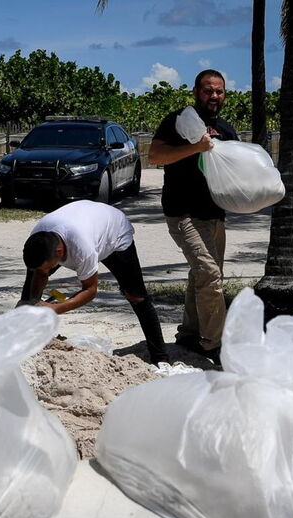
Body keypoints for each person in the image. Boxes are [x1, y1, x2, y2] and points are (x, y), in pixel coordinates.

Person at [147, 69, 238, 365]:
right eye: (208, 90)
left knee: (201, 275)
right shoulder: (178, 120)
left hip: (215, 215)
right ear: (196, 92)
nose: (214, 96)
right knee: (210, 276)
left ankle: (189, 334)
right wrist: (195, 148)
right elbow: (155, 156)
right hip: (183, 212)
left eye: (219, 91)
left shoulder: (226, 129)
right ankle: (214, 345)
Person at [17, 199, 168, 364]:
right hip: (87, 221)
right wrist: (33, 302)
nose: (43, 273)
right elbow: (39, 273)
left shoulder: (82, 248)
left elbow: (90, 290)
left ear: (59, 252)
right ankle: (23, 342)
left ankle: (160, 358)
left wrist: (55, 308)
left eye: (45, 269)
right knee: (29, 295)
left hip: (115, 234)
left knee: (136, 296)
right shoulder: (38, 239)